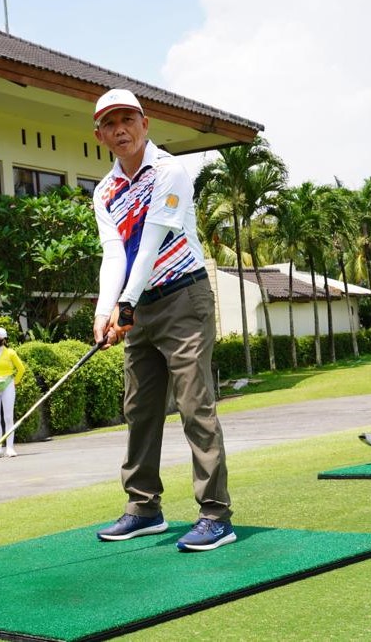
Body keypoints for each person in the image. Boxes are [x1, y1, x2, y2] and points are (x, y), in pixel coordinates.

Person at [90, 88, 235, 551]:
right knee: (140, 408)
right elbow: (116, 252)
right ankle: (143, 507)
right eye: (110, 124)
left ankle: (216, 515)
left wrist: (124, 305)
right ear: (100, 134)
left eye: (127, 120)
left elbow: (151, 240)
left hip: (182, 299)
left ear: (144, 123)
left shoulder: (170, 171)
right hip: (141, 308)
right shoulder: (105, 191)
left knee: (194, 404)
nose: (121, 130)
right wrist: (103, 309)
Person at [0, 327, 26, 458]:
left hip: (8, 384)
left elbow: (21, 369)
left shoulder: (11, 353)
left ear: (4, 338)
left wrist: (14, 382)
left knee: (8, 417)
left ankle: (10, 447)